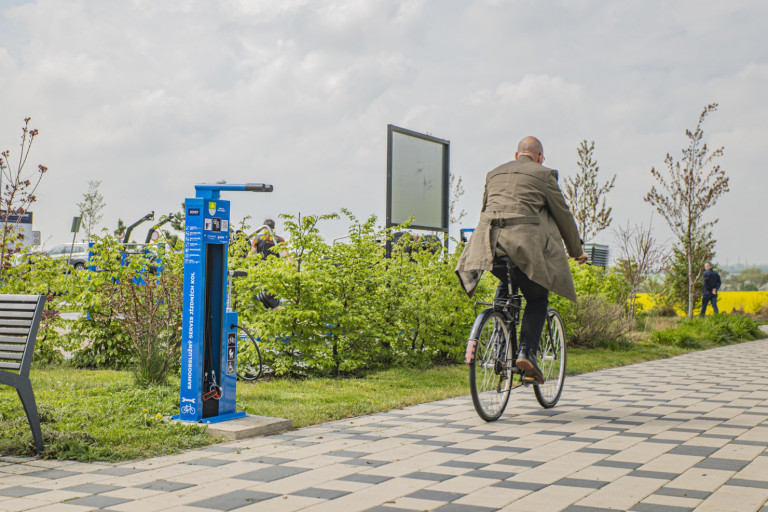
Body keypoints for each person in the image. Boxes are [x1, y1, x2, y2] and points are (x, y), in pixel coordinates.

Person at [456, 136, 588, 384]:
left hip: (489, 246)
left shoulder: (493, 174)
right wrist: (576, 249)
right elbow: (563, 216)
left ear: (517, 155)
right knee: (537, 298)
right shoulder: (544, 175)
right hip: (524, 248)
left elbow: (486, 209)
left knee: (505, 286)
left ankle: (498, 346)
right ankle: (526, 353)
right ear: (539, 157)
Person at [251, 219, 286, 309]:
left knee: (257, 297)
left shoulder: (257, 238)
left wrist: (249, 269)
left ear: (264, 228)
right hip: (274, 273)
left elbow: (251, 255)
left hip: (259, 272)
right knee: (273, 299)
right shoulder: (280, 239)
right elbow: (286, 256)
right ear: (273, 228)